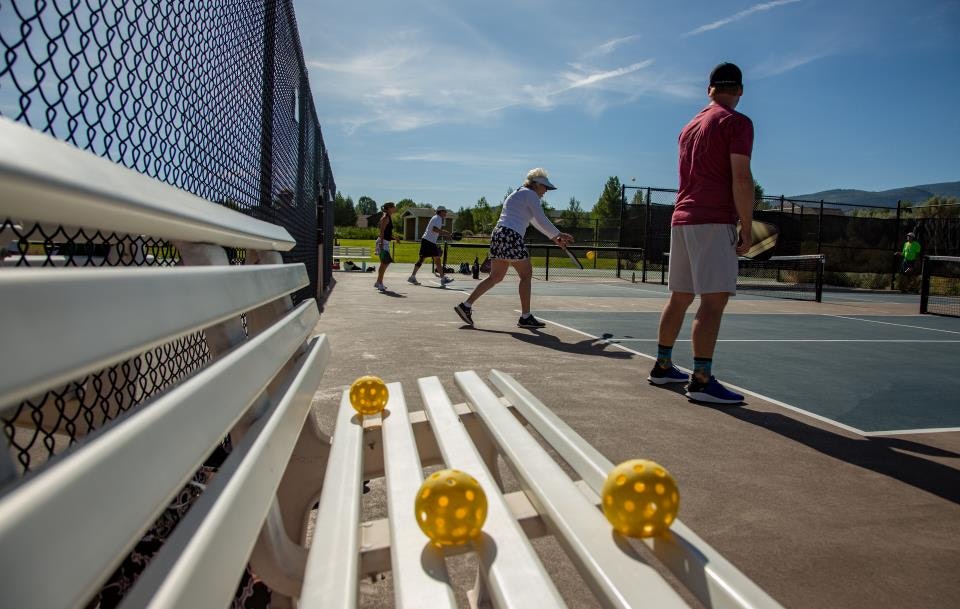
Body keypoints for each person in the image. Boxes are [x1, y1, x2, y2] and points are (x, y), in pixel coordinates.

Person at [648, 62, 754, 404]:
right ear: (739, 90)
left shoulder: (689, 126)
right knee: (714, 298)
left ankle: (663, 367)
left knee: (680, 296)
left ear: (709, 89)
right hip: (712, 220)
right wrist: (746, 226)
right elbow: (741, 178)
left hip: (682, 219)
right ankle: (702, 380)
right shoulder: (736, 122)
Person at [454, 168, 573, 328]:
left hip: (498, 235)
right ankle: (525, 317)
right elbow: (541, 218)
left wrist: (554, 237)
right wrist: (558, 234)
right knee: (526, 274)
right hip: (511, 235)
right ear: (537, 184)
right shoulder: (530, 194)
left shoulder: (520, 194)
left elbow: (535, 221)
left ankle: (466, 306)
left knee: (495, 277)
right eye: (545, 187)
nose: (546, 192)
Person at [409, 206, 454, 286]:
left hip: (426, 240)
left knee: (422, 259)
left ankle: (412, 277)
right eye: (445, 211)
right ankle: (443, 279)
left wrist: (444, 233)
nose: (446, 213)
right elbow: (434, 229)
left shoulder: (436, 218)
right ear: (440, 211)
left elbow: (434, 230)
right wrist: (445, 233)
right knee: (437, 259)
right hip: (429, 241)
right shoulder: (438, 218)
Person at [373, 202, 398, 293]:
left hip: (385, 242)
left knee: (385, 263)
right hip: (382, 242)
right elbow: (382, 232)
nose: (395, 208)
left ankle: (378, 282)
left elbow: (388, 232)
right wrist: (382, 244)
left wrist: (395, 238)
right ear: (389, 208)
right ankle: (380, 283)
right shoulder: (386, 217)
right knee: (384, 263)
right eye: (393, 207)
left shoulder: (388, 216)